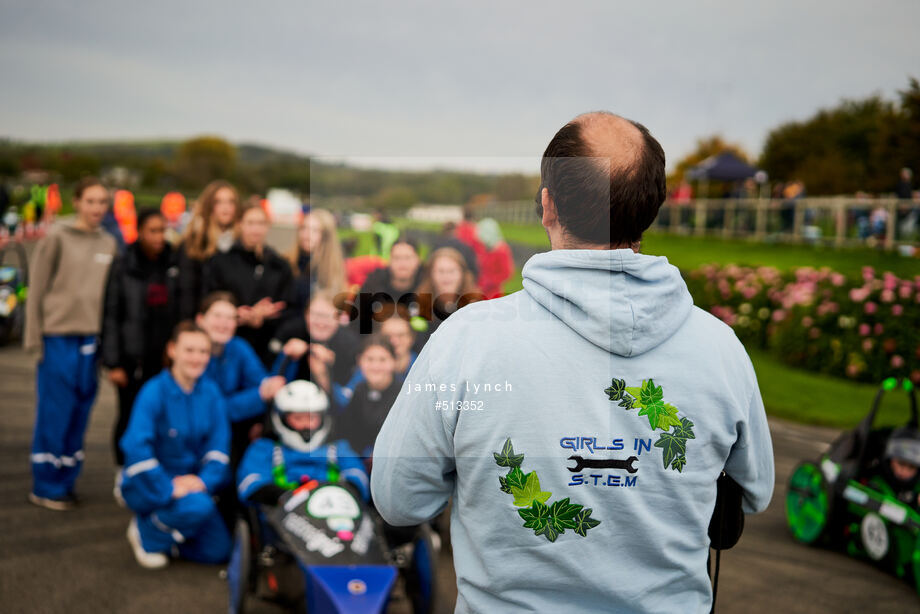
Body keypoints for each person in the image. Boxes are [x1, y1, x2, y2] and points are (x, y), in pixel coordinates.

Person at [371, 111, 774, 613]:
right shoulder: (721, 350)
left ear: (547, 206)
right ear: (652, 206)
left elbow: (398, 498)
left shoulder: (466, 340)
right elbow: (754, 492)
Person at [25, 176, 117, 510]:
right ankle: (46, 484)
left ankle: (66, 479)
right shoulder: (57, 237)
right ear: (76, 201)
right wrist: (34, 336)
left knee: (80, 411)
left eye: (102, 202)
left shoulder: (109, 243)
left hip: (90, 341)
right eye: (90, 201)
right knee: (56, 411)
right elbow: (37, 288)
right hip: (59, 337)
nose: (97, 208)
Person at [119, 321, 232, 568]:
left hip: (191, 483)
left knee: (218, 550)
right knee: (200, 507)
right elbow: (135, 448)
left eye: (203, 352)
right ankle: (147, 532)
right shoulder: (154, 391)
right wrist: (167, 488)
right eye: (189, 350)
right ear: (172, 350)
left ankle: (168, 534)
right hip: (150, 483)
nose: (197, 358)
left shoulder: (211, 393)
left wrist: (203, 481)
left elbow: (219, 447)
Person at [102, 208, 180, 469]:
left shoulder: (173, 263)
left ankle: (152, 467)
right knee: (129, 416)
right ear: (140, 232)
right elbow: (111, 313)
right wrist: (113, 362)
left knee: (161, 416)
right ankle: (123, 469)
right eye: (153, 231)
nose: (159, 237)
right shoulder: (125, 264)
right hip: (132, 359)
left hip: (163, 359)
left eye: (163, 230)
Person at [237, 380, 369, 507]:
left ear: (322, 417)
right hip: (279, 521)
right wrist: (284, 496)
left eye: (311, 418)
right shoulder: (264, 448)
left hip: (334, 518)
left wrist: (342, 491)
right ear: (282, 419)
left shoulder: (338, 448)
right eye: (298, 418)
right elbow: (250, 483)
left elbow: (358, 477)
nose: (306, 425)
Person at [195, 292, 286, 465]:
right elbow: (213, 410)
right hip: (198, 438)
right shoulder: (194, 355)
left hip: (234, 435)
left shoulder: (238, 347)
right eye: (217, 316)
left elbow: (263, 383)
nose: (224, 323)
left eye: (230, 318)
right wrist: (258, 396)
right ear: (200, 319)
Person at [203, 203, 293, 367]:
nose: (255, 229)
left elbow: (288, 304)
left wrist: (264, 314)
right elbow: (210, 296)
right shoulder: (222, 261)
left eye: (261, 224)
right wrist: (236, 314)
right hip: (226, 344)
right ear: (240, 224)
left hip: (265, 345)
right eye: (250, 223)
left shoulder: (279, 265)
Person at [275, 290, 359, 402]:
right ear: (305, 315)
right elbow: (269, 375)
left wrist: (329, 368)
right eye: (315, 315)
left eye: (327, 316)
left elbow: (349, 391)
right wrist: (286, 354)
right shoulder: (290, 332)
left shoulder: (349, 343)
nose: (320, 323)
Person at [176, 180, 241, 320]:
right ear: (209, 206)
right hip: (199, 322)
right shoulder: (194, 243)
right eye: (219, 202)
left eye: (231, 202)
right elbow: (186, 292)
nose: (226, 208)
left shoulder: (240, 244)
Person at [334, 334, 401, 460]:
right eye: (370, 359)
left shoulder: (404, 394)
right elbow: (349, 433)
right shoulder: (358, 391)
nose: (375, 366)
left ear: (393, 361)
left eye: (382, 360)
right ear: (360, 361)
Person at [332, 314, 417, 409]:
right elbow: (347, 400)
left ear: (412, 338)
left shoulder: (422, 369)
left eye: (401, 335)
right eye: (388, 336)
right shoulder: (370, 368)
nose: (394, 341)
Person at [286, 207, 346, 316]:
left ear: (326, 237)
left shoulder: (330, 270)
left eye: (315, 230)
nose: (306, 235)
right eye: (304, 228)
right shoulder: (287, 262)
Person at [414, 246, 483, 335]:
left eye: (451, 271)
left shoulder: (476, 305)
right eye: (441, 271)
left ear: (462, 274)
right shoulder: (420, 305)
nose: (446, 276)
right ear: (431, 274)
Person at [473, 218, 514, 299]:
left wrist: (488, 283)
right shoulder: (486, 247)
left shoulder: (502, 250)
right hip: (481, 291)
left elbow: (506, 273)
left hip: (493, 293)